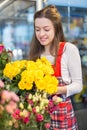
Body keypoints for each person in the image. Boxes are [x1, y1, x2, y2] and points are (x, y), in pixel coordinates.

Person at [28, 5, 83, 130]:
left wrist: (55, 89)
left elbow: (78, 86)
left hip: (62, 116)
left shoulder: (68, 50)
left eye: (46, 29)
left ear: (56, 29)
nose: (41, 34)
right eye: (37, 29)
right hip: (40, 115)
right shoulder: (35, 53)